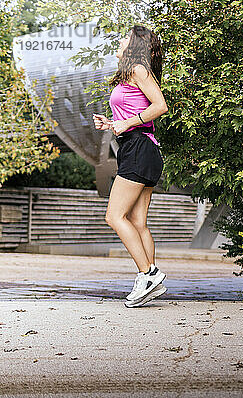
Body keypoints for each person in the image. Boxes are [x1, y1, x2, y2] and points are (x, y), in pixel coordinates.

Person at [93, 25, 168, 308]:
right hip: (138, 147)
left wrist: (128, 122)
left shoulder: (139, 69)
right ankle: (152, 281)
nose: (121, 41)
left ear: (135, 44)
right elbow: (132, 119)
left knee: (114, 216)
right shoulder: (130, 75)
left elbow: (160, 106)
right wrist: (112, 125)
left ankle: (148, 274)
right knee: (137, 222)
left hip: (139, 149)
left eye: (126, 37)